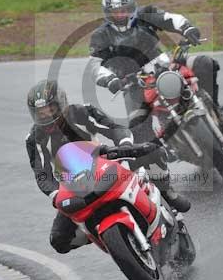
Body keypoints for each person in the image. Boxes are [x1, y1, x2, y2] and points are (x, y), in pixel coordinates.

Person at [26, 79, 189, 256]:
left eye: (50, 109)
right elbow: (42, 173)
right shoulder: (34, 138)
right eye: (40, 113)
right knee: (59, 241)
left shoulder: (82, 112)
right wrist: (57, 195)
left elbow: (114, 128)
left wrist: (124, 147)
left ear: (62, 103)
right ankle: (96, 233)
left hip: (106, 162)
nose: (46, 116)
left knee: (153, 152)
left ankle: (169, 196)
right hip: (73, 185)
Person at [89, 0, 223, 137]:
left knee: (205, 63)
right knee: (137, 128)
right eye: (115, 12)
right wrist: (110, 80)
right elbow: (95, 65)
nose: (120, 15)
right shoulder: (100, 36)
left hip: (164, 65)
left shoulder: (145, 14)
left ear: (132, 7)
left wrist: (187, 28)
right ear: (107, 13)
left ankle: (215, 112)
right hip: (132, 83)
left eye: (124, 10)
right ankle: (158, 153)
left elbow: (169, 18)